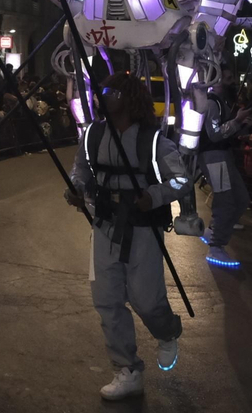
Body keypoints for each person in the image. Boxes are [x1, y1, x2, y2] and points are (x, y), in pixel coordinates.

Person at [67, 73, 191, 401]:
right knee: (106, 300)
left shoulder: (154, 141)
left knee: (146, 300)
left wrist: (155, 194)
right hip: (104, 226)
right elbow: (80, 169)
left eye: (111, 91)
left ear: (129, 97)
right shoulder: (92, 134)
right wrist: (77, 188)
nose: (103, 95)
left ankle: (167, 332)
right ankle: (127, 369)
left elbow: (182, 181)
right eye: (103, 90)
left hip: (142, 229)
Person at [198, 96, 252, 265]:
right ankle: (216, 246)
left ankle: (214, 233)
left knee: (241, 199)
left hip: (222, 156)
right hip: (215, 158)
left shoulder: (220, 101)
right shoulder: (211, 102)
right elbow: (215, 134)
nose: (231, 80)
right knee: (226, 201)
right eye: (228, 76)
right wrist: (237, 120)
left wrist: (242, 124)